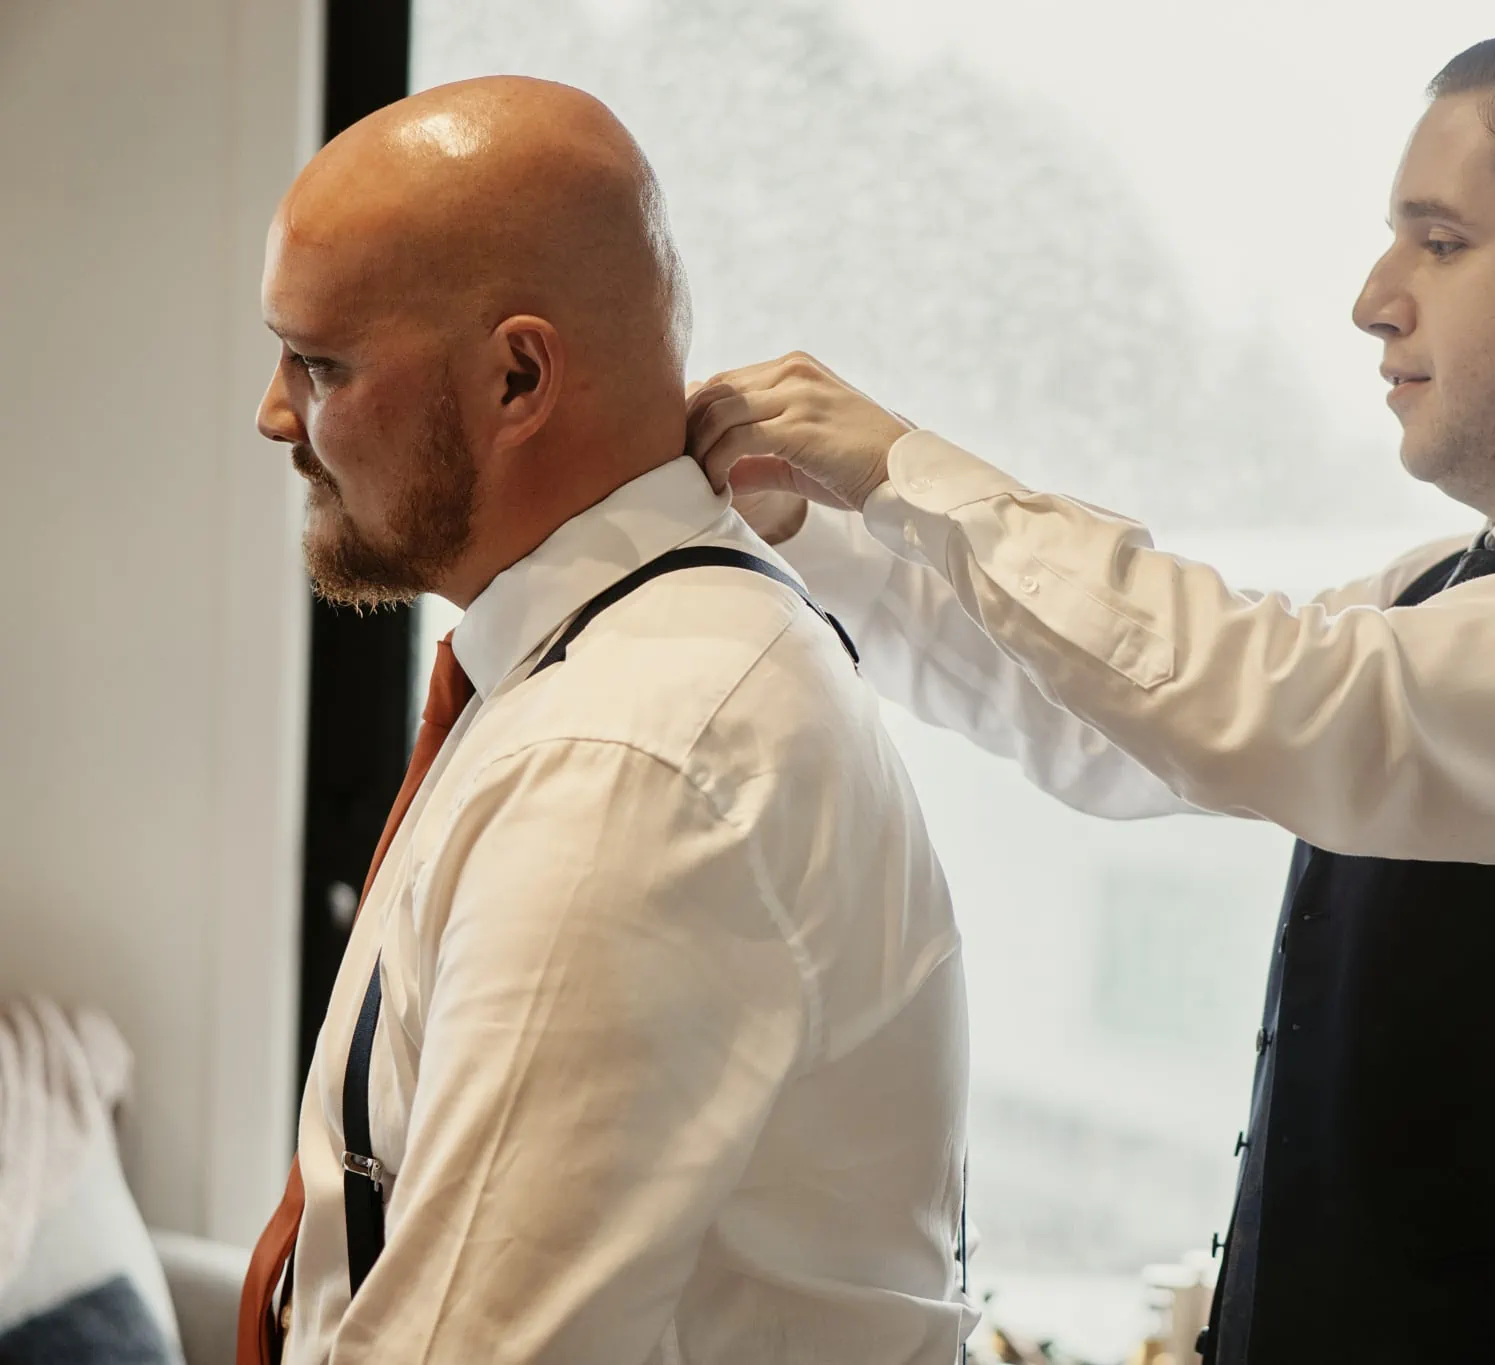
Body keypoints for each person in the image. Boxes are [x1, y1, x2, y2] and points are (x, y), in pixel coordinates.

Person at [684, 14, 1495, 1364]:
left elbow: (1267, 700)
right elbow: (1113, 721)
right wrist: (820, 535)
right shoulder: (1443, 590)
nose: (1375, 297)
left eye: (1440, 241)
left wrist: (909, 465)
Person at [235, 77, 973, 1365]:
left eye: (322, 362)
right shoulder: (620, 669)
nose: (276, 413)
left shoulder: (631, 755)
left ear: (520, 375)